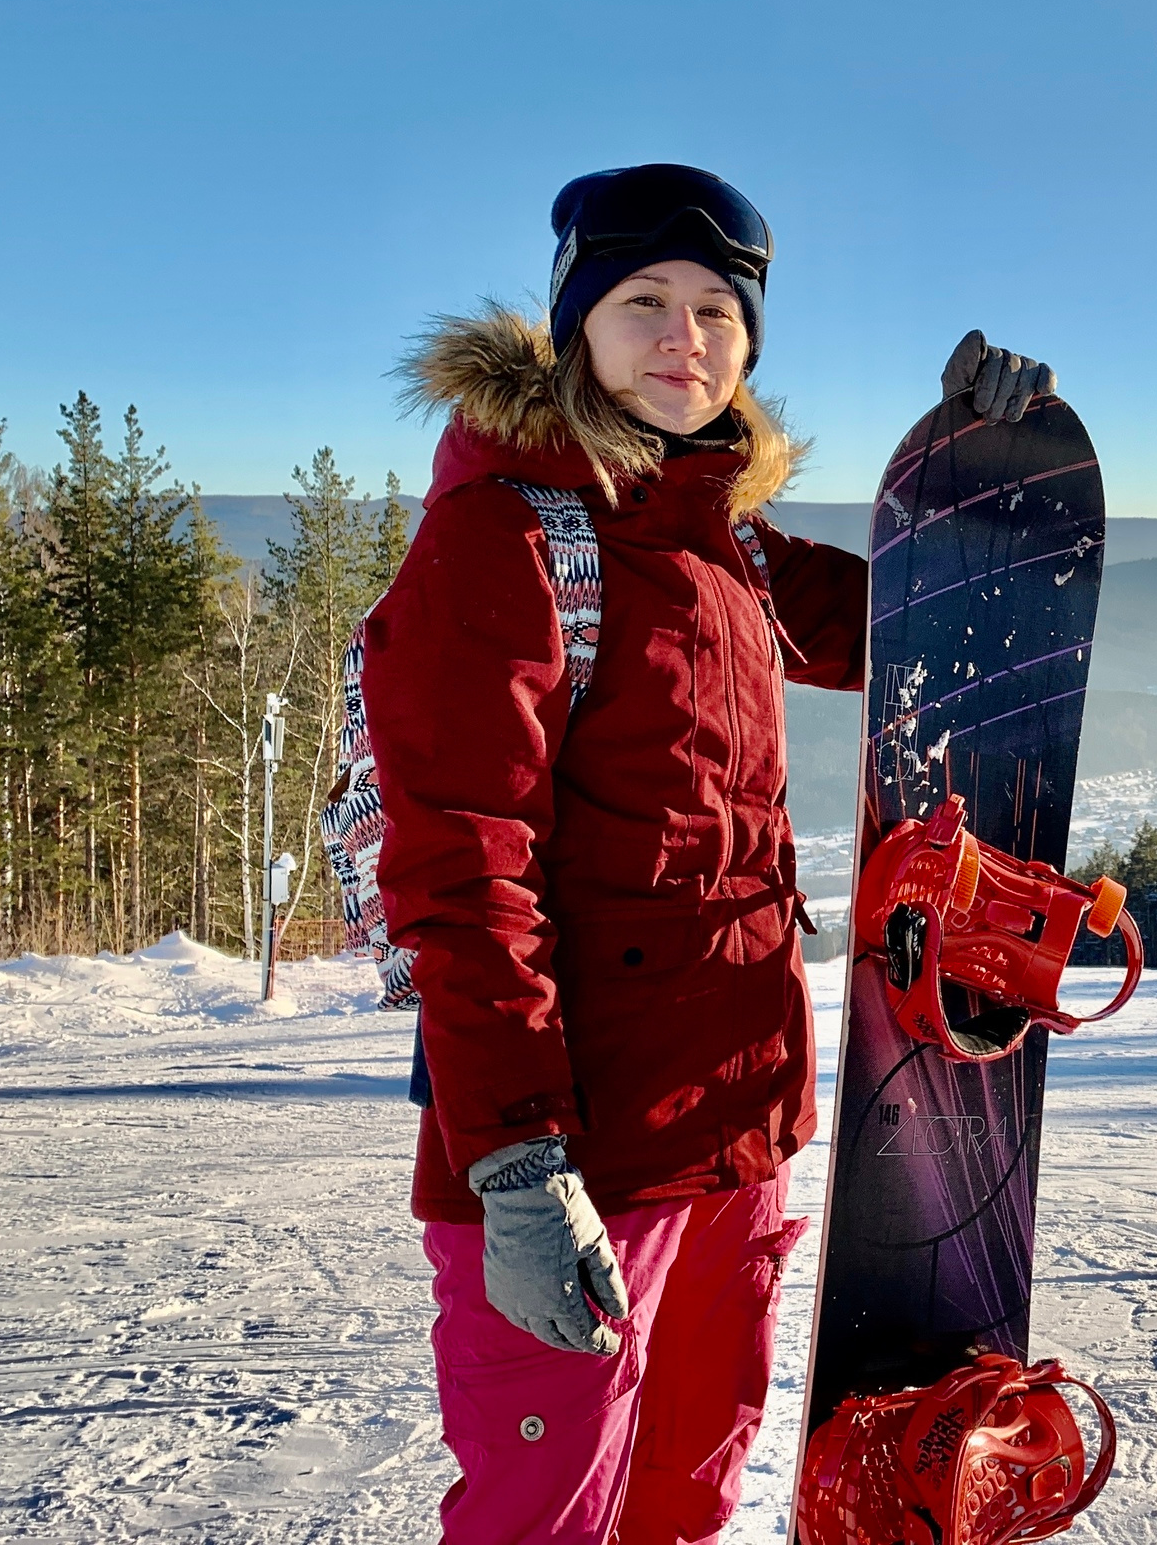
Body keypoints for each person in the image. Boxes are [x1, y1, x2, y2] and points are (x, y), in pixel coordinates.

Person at [365, 163, 1058, 1544]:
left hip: (738, 1123)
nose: (684, 337)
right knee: (544, 1517)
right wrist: (515, 1165)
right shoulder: (504, 537)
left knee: (688, 1489)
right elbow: (461, 876)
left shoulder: (719, 536)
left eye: (716, 311)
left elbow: (906, 628)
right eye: (643, 301)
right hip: (578, 1151)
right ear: (573, 325)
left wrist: (985, 481)